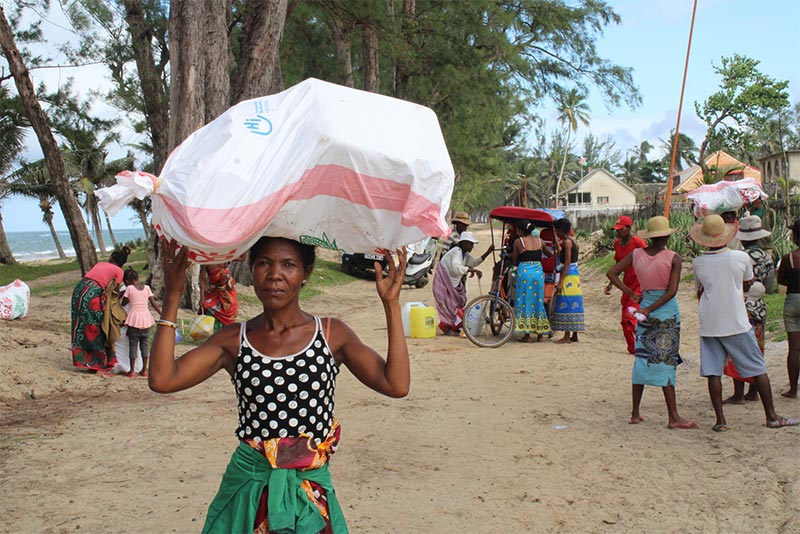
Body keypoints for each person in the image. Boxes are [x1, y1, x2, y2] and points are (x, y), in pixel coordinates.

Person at [149, 237, 410, 533]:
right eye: (264, 263)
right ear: (251, 269)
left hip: (308, 495)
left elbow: (396, 384)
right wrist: (172, 298)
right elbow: (163, 379)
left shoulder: (331, 334)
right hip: (249, 493)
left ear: (306, 273)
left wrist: (391, 304)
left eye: (288, 264)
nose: (275, 274)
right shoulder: (234, 339)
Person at [691, 214, 798, 431]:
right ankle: (771, 416)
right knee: (757, 368)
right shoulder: (740, 258)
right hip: (736, 320)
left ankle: (720, 420)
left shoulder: (698, 262)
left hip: (710, 321)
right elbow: (748, 282)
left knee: (713, 372)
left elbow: (698, 289)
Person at [607, 216, 696, 429]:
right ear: (666, 236)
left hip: (644, 306)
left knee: (642, 358)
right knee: (666, 359)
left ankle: (635, 412)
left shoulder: (636, 254)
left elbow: (611, 273)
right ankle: (673, 416)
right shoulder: (673, 257)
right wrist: (650, 308)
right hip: (665, 313)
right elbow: (672, 291)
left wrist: (633, 295)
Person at [723, 215, 774, 404]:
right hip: (759, 305)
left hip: (741, 305)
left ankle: (738, 393)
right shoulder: (767, 258)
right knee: (756, 347)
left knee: (737, 347)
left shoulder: (738, 257)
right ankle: (753, 390)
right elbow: (769, 287)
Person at [71, 247, 130, 375]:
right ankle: (97, 365)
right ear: (123, 263)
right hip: (93, 294)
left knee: (81, 325)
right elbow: (112, 294)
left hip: (79, 291)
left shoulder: (100, 264)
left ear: (111, 259)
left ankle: (83, 359)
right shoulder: (119, 272)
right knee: (96, 327)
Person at [432, 231, 494, 335]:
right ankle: (448, 328)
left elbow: (474, 262)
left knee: (456, 305)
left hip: (453, 284)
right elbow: (456, 268)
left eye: (472, 244)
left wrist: (488, 252)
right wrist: (471, 270)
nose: (471, 246)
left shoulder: (464, 255)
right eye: (469, 244)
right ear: (462, 243)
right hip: (444, 282)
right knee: (449, 306)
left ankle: (451, 326)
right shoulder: (456, 251)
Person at [604, 215, 647, 354]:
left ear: (629, 228)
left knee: (630, 317)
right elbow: (618, 265)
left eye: (621, 229)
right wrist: (611, 283)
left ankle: (641, 345)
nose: (618, 232)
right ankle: (633, 348)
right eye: (616, 230)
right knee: (625, 320)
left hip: (640, 284)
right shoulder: (617, 243)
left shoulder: (638, 243)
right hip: (627, 285)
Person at [511, 220, 553, 342]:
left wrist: (514, 271)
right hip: (538, 274)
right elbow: (549, 254)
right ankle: (540, 334)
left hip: (525, 274)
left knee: (524, 302)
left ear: (520, 230)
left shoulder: (519, 242)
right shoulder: (540, 241)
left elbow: (515, 260)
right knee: (538, 302)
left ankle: (527, 334)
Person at [120, 268, 161, 379]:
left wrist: (123, 294)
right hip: (146, 318)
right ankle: (144, 370)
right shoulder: (147, 288)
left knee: (133, 345)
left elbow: (123, 303)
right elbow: (153, 303)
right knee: (145, 345)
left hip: (134, 319)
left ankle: (132, 371)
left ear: (127, 281)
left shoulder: (129, 288)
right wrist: (162, 314)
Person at [550, 218, 584, 343]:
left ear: (560, 230)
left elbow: (567, 261)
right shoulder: (573, 241)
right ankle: (574, 334)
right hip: (575, 274)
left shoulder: (567, 243)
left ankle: (566, 336)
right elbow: (565, 256)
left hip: (568, 274)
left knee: (566, 301)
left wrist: (561, 281)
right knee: (574, 301)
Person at [777, 219, 800, 399]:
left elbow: (781, 281)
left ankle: (793, 389)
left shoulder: (788, 258)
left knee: (794, 349)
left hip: (792, 300)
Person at [200, 263, 239, 332]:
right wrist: (202, 297)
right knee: (211, 314)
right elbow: (203, 280)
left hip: (228, 295)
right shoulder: (206, 260)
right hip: (214, 294)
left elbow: (242, 258)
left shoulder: (226, 255)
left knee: (229, 315)